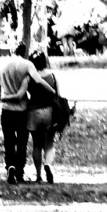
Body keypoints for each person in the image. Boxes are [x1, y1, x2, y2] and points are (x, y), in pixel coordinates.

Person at [0, 51, 33, 184]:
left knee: (9, 141)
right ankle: (20, 172)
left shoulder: (2, 68)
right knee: (22, 143)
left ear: (12, 51)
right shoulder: (26, 67)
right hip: (22, 111)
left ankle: (10, 166)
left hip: (6, 110)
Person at [25, 47, 62, 184]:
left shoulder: (30, 77)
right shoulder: (52, 76)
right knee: (49, 143)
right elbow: (58, 95)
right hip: (49, 112)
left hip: (33, 112)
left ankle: (39, 175)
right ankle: (48, 165)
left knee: (36, 145)